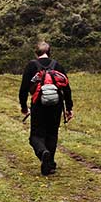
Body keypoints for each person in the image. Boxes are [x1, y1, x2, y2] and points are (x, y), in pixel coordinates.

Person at [19, 41, 73, 176]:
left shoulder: (31, 66)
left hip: (38, 104)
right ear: (49, 52)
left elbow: (24, 89)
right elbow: (66, 88)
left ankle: (43, 153)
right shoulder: (57, 65)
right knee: (52, 134)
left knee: (35, 136)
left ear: (36, 53)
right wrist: (69, 108)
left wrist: (24, 106)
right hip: (56, 105)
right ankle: (50, 164)